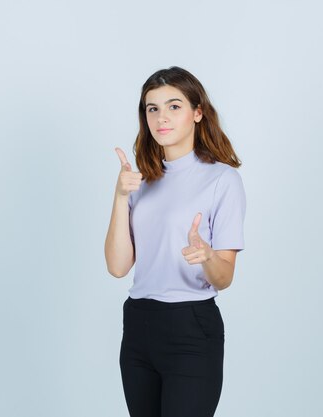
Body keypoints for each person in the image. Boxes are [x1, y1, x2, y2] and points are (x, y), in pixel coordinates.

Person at [104, 66, 246, 417]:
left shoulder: (223, 180)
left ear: (198, 113)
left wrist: (208, 255)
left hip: (190, 328)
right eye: (152, 108)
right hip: (139, 325)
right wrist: (120, 196)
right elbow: (118, 267)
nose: (161, 117)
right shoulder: (139, 179)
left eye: (174, 106)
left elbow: (224, 278)